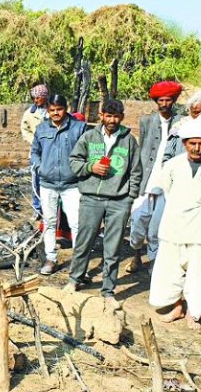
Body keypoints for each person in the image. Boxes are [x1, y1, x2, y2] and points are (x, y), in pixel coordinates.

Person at [148, 116, 201, 330]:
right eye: (193, 143)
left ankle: (193, 312)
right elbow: (167, 190)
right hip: (175, 223)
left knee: (198, 270)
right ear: (185, 144)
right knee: (171, 267)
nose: (197, 148)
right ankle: (176, 306)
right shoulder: (172, 165)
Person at [65, 99, 142, 306]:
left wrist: (129, 199)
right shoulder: (89, 137)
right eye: (108, 116)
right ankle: (75, 279)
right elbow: (74, 161)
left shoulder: (128, 141)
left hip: (119, 201)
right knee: (84, 241)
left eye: (116, 116)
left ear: (122, 117)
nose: (112, 120)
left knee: (113, 247)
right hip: (91, 198)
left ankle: (108, 290)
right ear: (101, 116)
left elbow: (136, 172)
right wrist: (91, 167)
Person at [127, 80, 183, 274]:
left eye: (169, 100)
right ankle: (135, 256)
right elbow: (142, 148)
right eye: (161, 100)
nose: (165, 104)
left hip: (167, 183)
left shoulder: (181, 122)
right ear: (156, 101)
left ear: (174, 101)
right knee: (137, 222)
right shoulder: (146, 121)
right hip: (146, 179)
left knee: (157, 226)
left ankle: (153, 261)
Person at [30, 94, 87, 275]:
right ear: (48, 110)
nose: (56, 113)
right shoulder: (41, 129)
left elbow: (87, 152)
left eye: (59, 109)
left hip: (72, 184)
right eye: (52, 110)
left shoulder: (78, 128)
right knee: (49, 222)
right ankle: (51, 259)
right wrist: (41, 167)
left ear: (66, 108)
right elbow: (34, 152)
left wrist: (81, 170)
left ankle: (79, 264)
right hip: (48, 184)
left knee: (76, 223)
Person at [20, 84, 49, 219]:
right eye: (34, 98)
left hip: (52, 151)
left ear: (44, 97)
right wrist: (35, 141)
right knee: (36, 180)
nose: (35, 100)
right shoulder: (30, 114)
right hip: (36, 152)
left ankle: (50, 209)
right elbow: (25, 130)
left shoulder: (52, 111)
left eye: (38, 98)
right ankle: (37, 209)